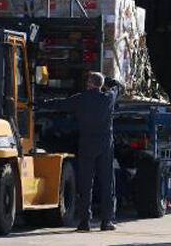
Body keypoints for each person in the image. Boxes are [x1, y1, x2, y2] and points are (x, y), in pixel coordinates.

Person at [41, 72, 122, 232]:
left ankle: (84, 221)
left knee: (86, 183)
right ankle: (106, 221)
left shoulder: (81, 98)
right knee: (107, 183)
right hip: (105, 145)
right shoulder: (108, 98)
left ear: (89, 84)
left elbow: (60, 104)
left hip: (86, 144)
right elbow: (119, 87)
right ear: (100, 84)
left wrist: (39, 103)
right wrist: (108, 80)